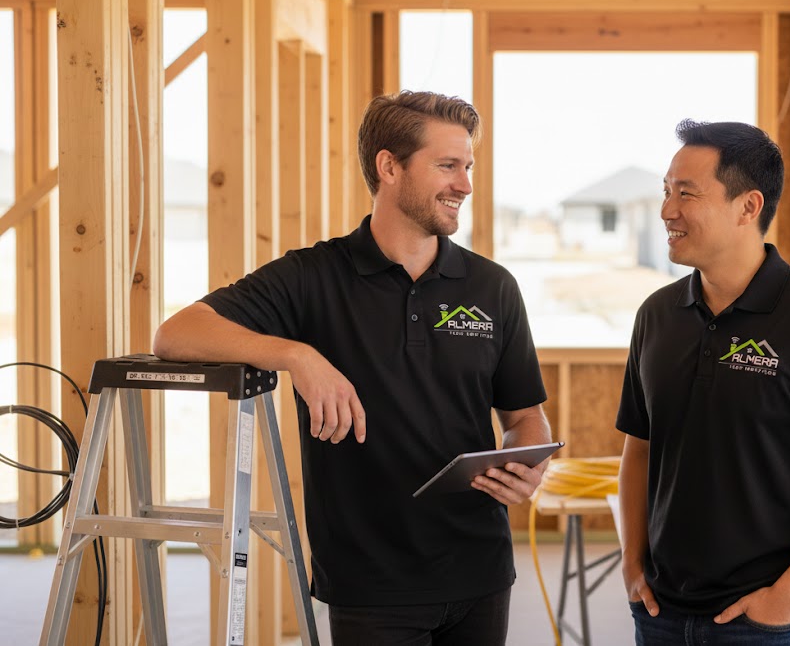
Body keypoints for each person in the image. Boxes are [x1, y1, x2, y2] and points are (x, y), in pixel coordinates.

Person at [154, 90, 552, 646]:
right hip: (371, 584)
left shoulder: (493, 287)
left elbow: (524, 417)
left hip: (481, 571)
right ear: (389, 166)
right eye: (446, 166)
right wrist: (296, 354)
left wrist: (527, 465)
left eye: (468, 167)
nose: (464, 184)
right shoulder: (312, 277)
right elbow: (176, 334)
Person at [616, 119, 790, 645]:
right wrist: (633, 564)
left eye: (686, 194)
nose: (666, 211)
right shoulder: (657, 315)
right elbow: (640, 446)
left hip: (767, 623)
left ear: (748, 207)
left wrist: (788, 594)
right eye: (666, 191)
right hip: (660, 614)